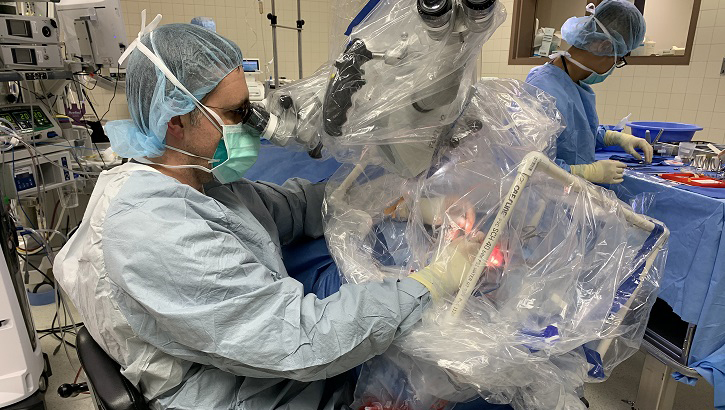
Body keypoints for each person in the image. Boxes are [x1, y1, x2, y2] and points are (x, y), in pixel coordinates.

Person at [53, 20, 486, 410]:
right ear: (175, 121)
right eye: (236, 113)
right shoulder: (156, 230)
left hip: (253, 368)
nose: (252, 126)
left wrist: (397, 202)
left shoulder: (193, 180)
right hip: (235, 396)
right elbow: (303, 338)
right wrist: (431, 283)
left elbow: (292, 207)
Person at [526, 0, 652, 185]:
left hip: (569, 198)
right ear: (603, 47)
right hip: (544, 203)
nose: (615, 66)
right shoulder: (542, 88)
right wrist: (585, 172)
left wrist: (615, 137)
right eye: (619, 58)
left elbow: (576, 135)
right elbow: (529, 162)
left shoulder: (576, 85)